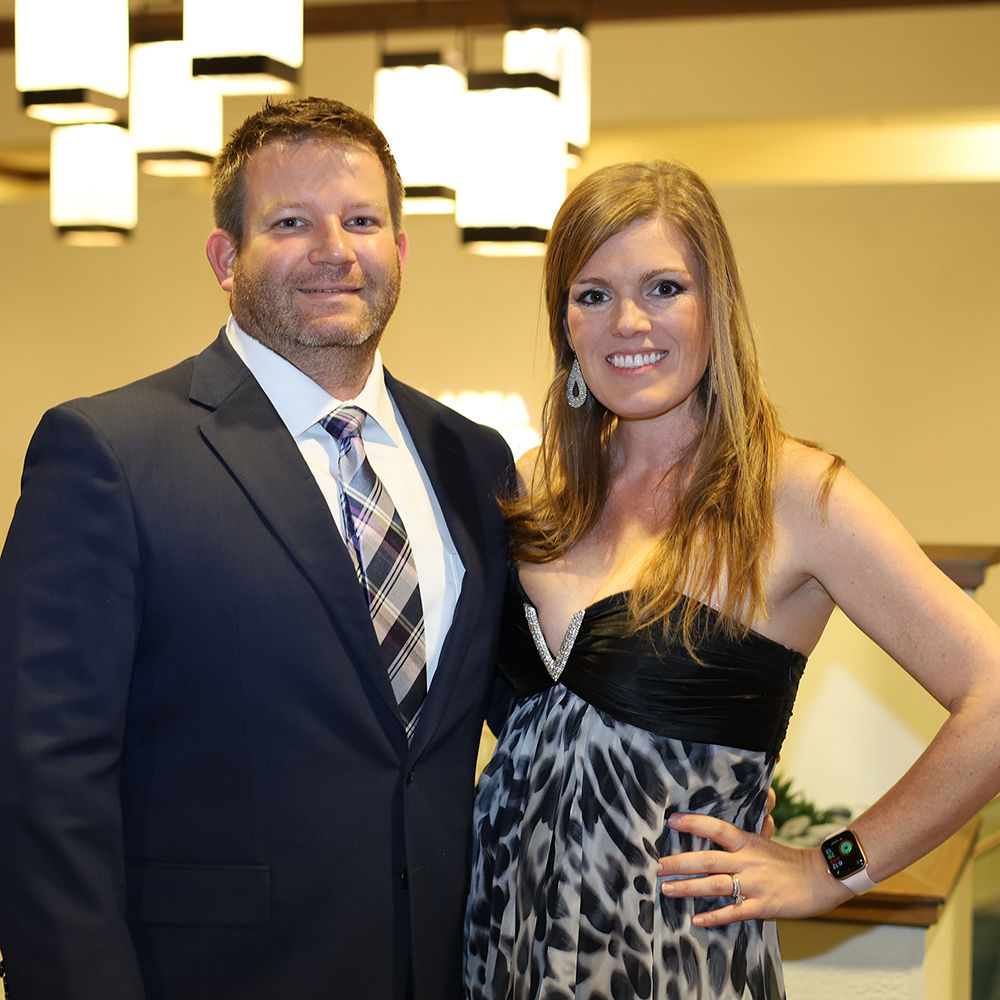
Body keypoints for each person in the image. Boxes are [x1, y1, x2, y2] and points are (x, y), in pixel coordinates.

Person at [0, 97, 515, 1000]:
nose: (334, 249)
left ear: (401, 250)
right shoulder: (111, 453)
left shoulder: (472, 458)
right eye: (290, 223)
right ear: (223, 257)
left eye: (362, 221)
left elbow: (533, 720)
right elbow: (43, 777)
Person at [463, 160, 1000, 999]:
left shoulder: (797, 496)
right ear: (565, 322)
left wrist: (830, 868)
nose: (628, 321)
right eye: (593, 294)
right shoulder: (536, 486)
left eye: (664, 288)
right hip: (500, 948)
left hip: (675, 965)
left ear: (716, 306)